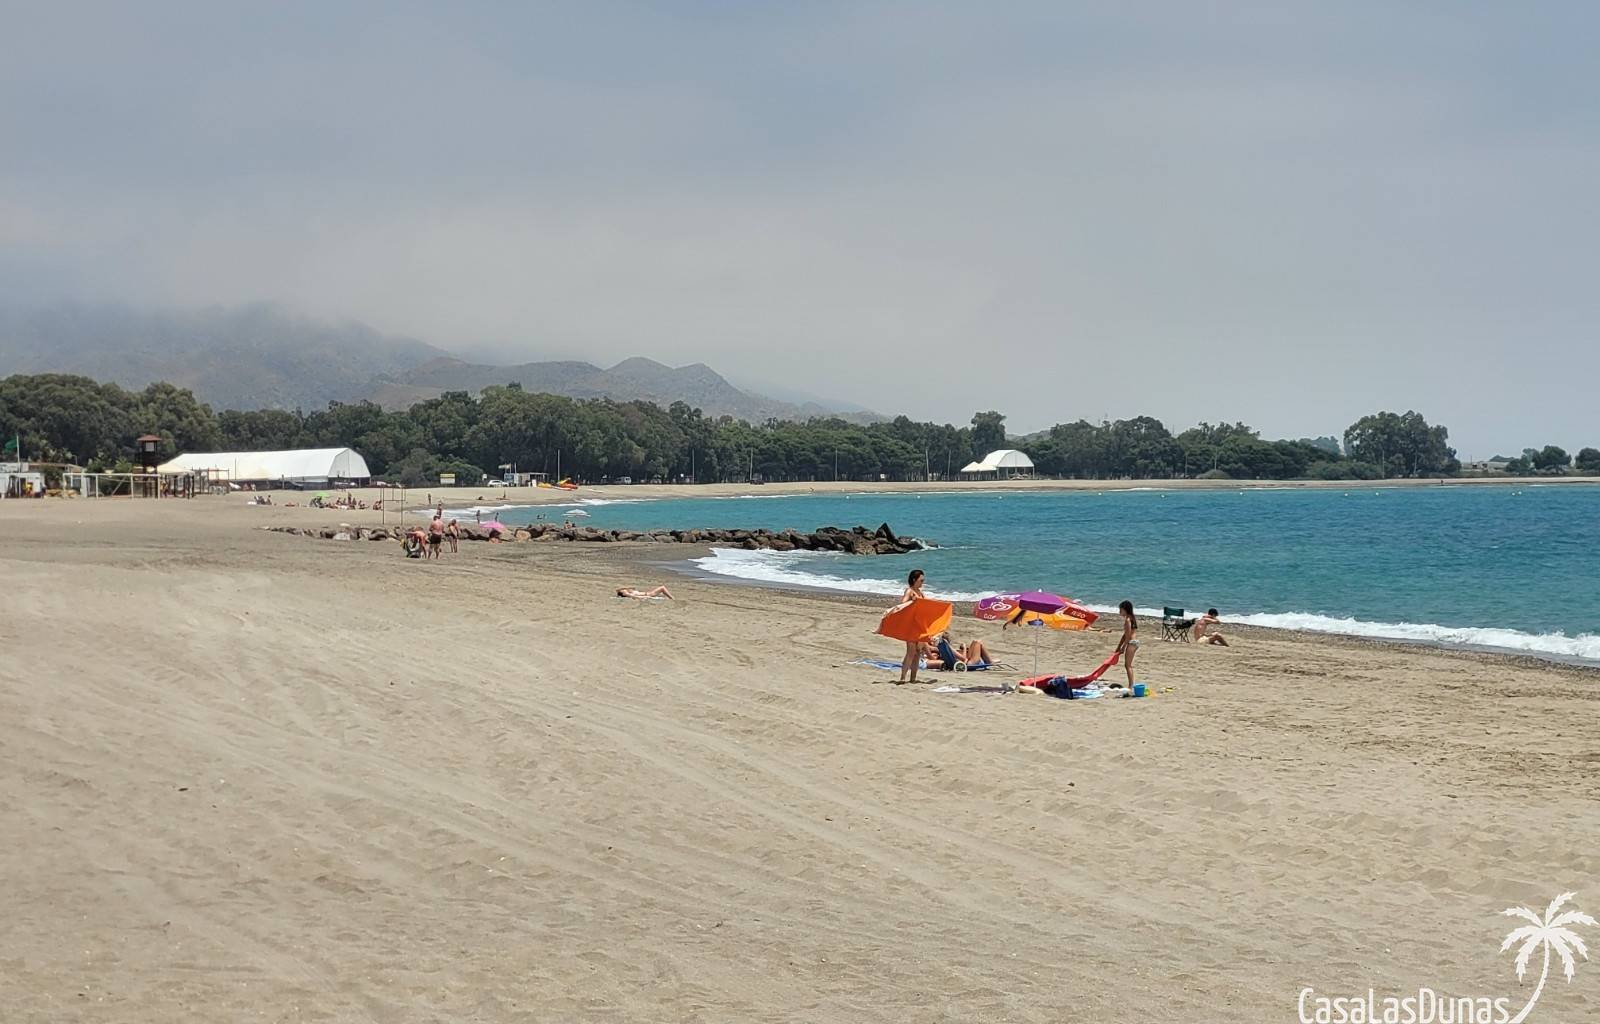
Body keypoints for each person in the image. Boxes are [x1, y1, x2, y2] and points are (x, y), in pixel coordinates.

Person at [895, 569, 927, 685]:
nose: (922, 583)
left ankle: (913, 678)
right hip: (911, 626)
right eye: (921, 580)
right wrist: (912, 601)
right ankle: (903, 677)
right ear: (914, 580)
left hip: (920, 626)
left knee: (918, 652)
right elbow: (902, 604)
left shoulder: (920, 593)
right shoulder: (909, 591)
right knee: (911, 652)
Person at [1114, 599, 1138, 689]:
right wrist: (1119, 647)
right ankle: (1131, 685)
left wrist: (1123, 648)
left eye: (1121, 609)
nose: (1119, 611)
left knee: (1128, 665)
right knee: (1128, 665)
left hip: (1132, 643)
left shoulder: (1128, 620)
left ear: (1125, 609)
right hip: (1133, 643)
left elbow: (1127, 637)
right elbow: (1125, 636)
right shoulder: (1131, 618)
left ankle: (1131, 686)